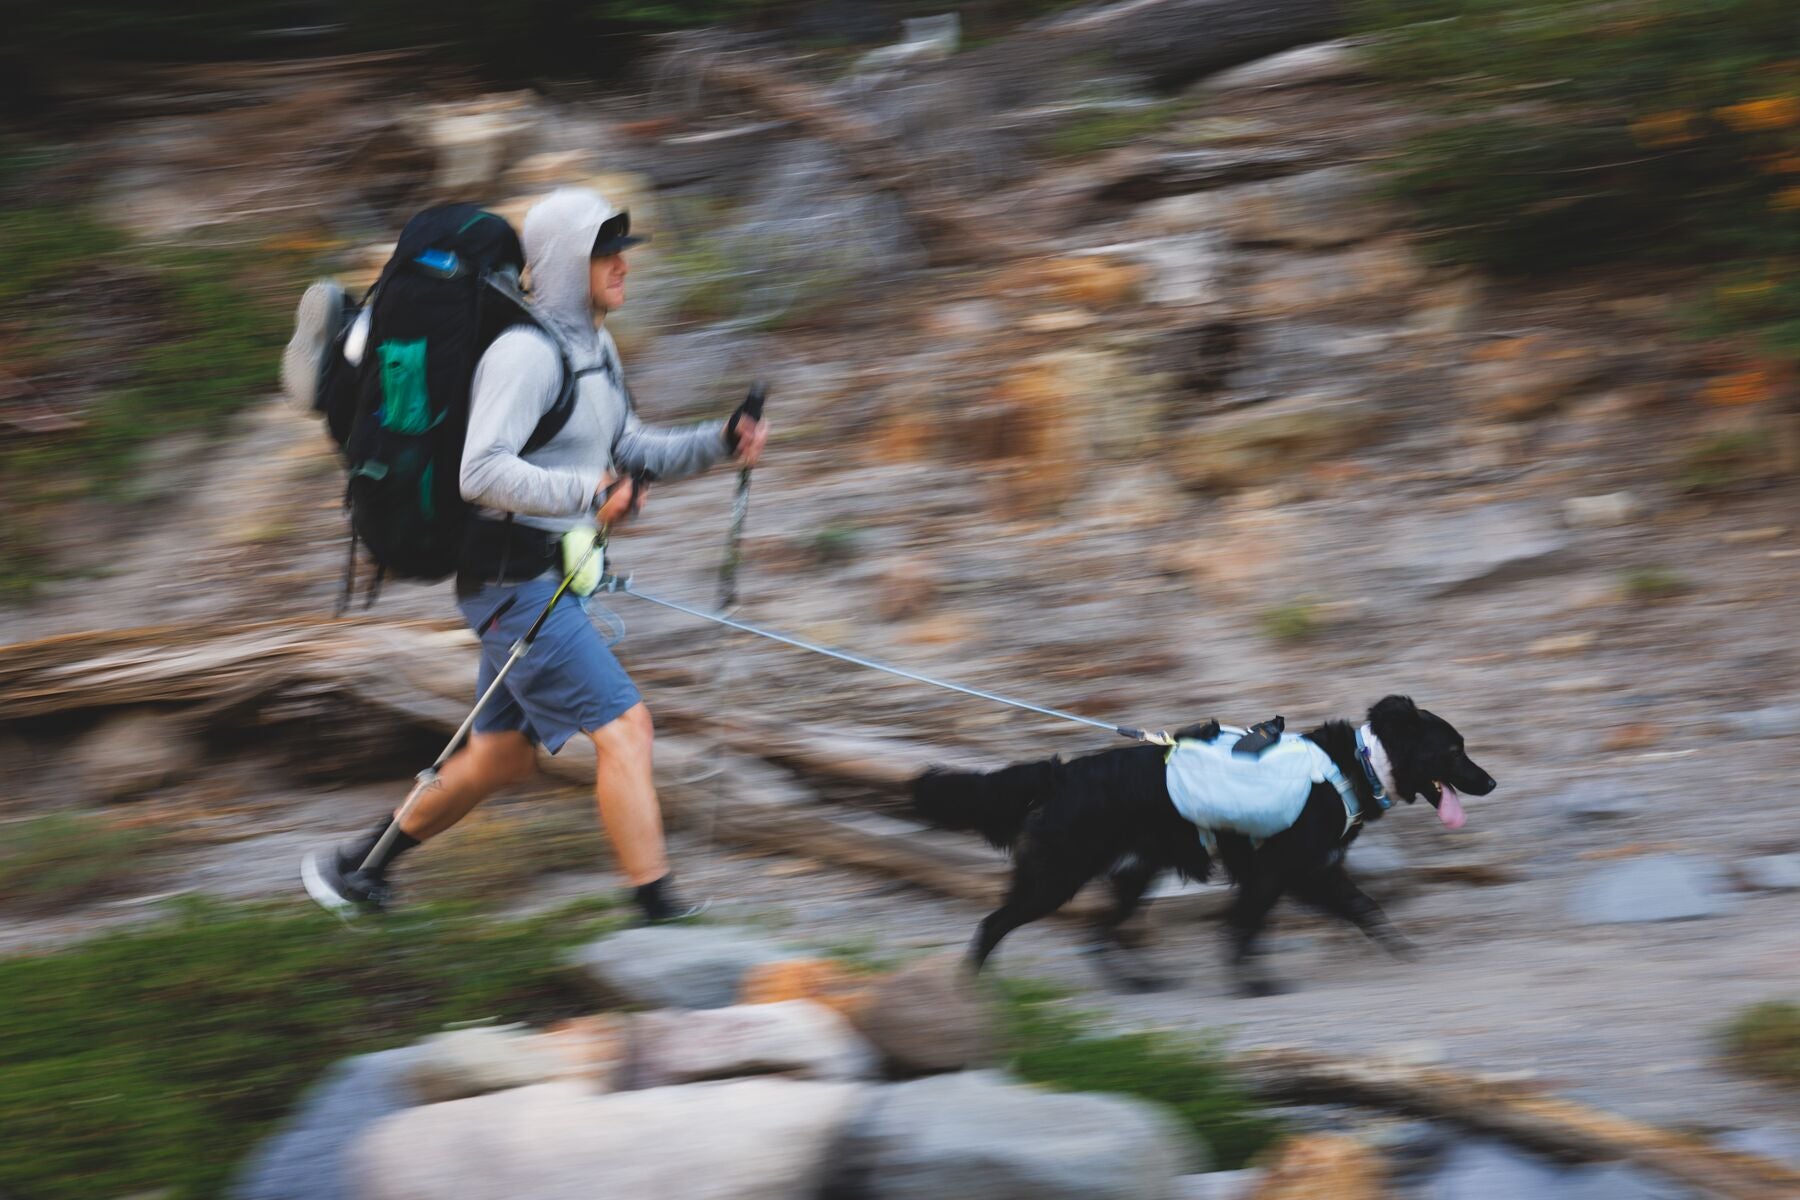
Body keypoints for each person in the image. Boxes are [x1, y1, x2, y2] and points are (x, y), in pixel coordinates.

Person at [302, 187, 767, 923]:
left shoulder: (596, 350)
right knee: (627, 729)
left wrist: (719, 441)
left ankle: (355, 869)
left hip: (546, 581)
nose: (622, 265)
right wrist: (590, 491)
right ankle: (658, 916)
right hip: (512, 583)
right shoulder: (524, 355)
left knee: (501, 758)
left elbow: (628, 445)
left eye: (623, 251)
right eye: (605, 254)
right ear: (565, 262)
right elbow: (480, 473)